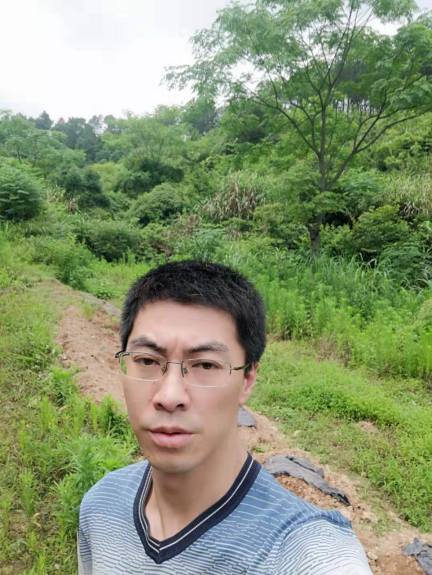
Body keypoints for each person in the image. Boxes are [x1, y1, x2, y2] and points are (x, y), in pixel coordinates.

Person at [78, 260, 372, 574]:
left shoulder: (305, 552)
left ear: (247, 380)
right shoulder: (100, 506)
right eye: (147, 360)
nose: (169, 396)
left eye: (206, 365)